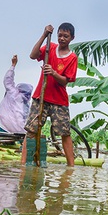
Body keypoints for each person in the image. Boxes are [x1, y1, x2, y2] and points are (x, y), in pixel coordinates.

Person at [22, 23, 78, 166]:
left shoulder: (72, 58)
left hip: (59, 101)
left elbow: (65, 81)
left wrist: (53, 73)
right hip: (40, 96)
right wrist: (44, 35)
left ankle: (71, 166)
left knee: (65, 133)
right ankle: (23, 164)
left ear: (72, 38)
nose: (62, 38)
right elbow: (33, 55)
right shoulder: (50, 48)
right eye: (60, 35)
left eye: (66, 36)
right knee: (31, 131)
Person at [0, 55, 33, 133]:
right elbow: (25, 120)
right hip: (19, 131)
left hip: (2, 127)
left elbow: (8, 80)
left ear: (19, 89)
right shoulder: (26, 105)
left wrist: (13, 65)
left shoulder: (13, 93)